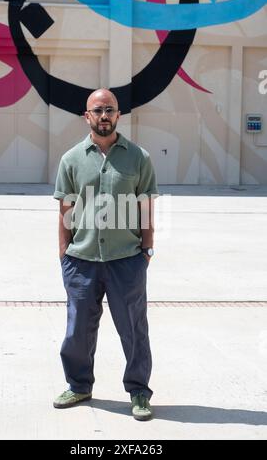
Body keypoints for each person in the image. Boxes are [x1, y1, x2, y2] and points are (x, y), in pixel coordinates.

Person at [53, 88, 158, 421]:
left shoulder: (138, 157)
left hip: (126, 259)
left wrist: (147, 249)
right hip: (81, 260)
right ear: (87, 116)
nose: (103, 116)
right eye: (97, 110)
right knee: (78, 329)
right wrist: (64, 256)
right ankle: (79, 385)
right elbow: (65, 210)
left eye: (109, 110)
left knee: (133, 328)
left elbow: (145, 208)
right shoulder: (71, 159)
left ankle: (139, 391)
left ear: (118, 115)